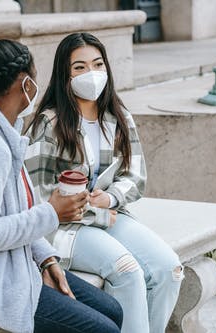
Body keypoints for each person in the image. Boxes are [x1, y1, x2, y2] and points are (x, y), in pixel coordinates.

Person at [0, 39, 123, 333]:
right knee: (105, 330)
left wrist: (46, 258)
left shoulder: (0, 131)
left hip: (12, 262)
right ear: (26, 85)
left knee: (113, 310)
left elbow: (17, 210)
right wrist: (52, 213)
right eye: (35, 78)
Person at [25, 32, 183, 333]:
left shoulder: (118, 117)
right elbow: (36, 192)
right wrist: (96, 212)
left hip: (109, 214)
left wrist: (109, 199)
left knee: (170, 269)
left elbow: (135, 175)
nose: (92, 74)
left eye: (98, 65)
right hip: (63, 227)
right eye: (80, 67)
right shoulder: (49, 122)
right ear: (65, 74)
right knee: (127, 272)